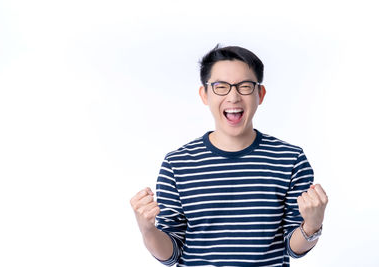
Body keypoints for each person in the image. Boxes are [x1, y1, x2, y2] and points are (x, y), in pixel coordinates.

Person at [130, 45, 328, 266]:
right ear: (204, 94)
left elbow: (294, 247)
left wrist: (312, 225)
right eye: (221, 87)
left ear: (260, 94)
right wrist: (147, 229)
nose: (233, 97)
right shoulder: (177, 163)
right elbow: (171, 253)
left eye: (245, 86)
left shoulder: (290, 159)